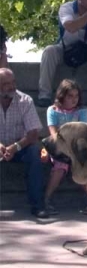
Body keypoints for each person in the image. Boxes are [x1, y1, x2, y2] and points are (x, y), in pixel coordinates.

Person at [0, 68, 47, 218]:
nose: (12, 86)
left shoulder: (25, 100)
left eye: (13, 82)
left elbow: (33, 134)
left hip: (21, 147)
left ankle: (38, 205)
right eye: (7, 84)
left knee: (34, 153)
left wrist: (16, 147)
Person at [42, 80, 87, 215]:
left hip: (77, 146)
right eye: (70, 96)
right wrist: (64, 147)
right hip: (59, 147)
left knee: (80, 168)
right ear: (62, 96)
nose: (74, 99)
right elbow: (53, 133)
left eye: (76, 96)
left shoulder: (82, 111)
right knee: (60, 167)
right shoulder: (52, 110)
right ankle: (46, 199)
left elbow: (82, 131)